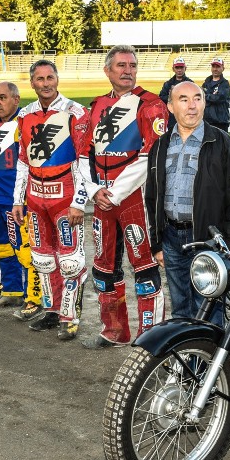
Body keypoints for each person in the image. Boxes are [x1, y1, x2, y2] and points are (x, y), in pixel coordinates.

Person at [78, 44, 167, 348]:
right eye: (121, 65)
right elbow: (84, 154)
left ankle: (150, 339)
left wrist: (113, 193)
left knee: (144, 269)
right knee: (104, 269)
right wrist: (95, 191)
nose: (128, 70)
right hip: (103, 200)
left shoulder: (151, 105)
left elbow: (150, 156)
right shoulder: (98, 105)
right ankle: (114, 331)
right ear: (108, 71)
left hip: (135, 201)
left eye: (132, 65)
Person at [146, 81, 230, 319]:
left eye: (197, 98)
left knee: (209, 310)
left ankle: (211, 356)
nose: (192, 106)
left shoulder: (222, 143)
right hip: (171, 241)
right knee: (181, 309)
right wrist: (157, 243)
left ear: (204, 102)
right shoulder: (161, 145)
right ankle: (187, 355)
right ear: (170, 106)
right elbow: (152, 196)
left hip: (208, 240)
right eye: (183, 99)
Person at [12, 60, 90, 335]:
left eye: (50, 78)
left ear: (57, 79)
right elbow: (22, 161)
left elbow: (83, 162)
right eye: (39, 79)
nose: (45, 84)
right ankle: (52, 310)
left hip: (64, 195)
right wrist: (17, 199)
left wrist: (79, 202)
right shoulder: (24, 115)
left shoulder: (76, 112)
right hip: (34, 197)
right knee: (43, 259)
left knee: (70, 261)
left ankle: (70, 318)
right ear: (31, 83)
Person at [0, 81, 43, 318]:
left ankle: (34, 298)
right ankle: (12, 290)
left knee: (25, 250)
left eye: (2, 97)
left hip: (16, 201)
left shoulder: (24, 124)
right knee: (1, 245)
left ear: (16, 99)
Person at [159, 57, 192, 128]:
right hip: (171, 117)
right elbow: (161, 97)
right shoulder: (168, 84)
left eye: (181, 67)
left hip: (186, 116)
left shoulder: (190, 83)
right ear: (173, 69)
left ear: (185, 68)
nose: (179, 70)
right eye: (177, 67)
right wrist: (174, 97)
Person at [201, 57, 230, 132]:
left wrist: (206, 95)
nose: (215, 69)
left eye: (218, 66)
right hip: (206, 120)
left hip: (220, 121)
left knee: (221, 143)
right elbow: (200, 97)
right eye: (213, 66)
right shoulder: (206, 82)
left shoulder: (225, 84)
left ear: (223, 68)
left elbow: (219, 98)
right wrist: (211, 96)